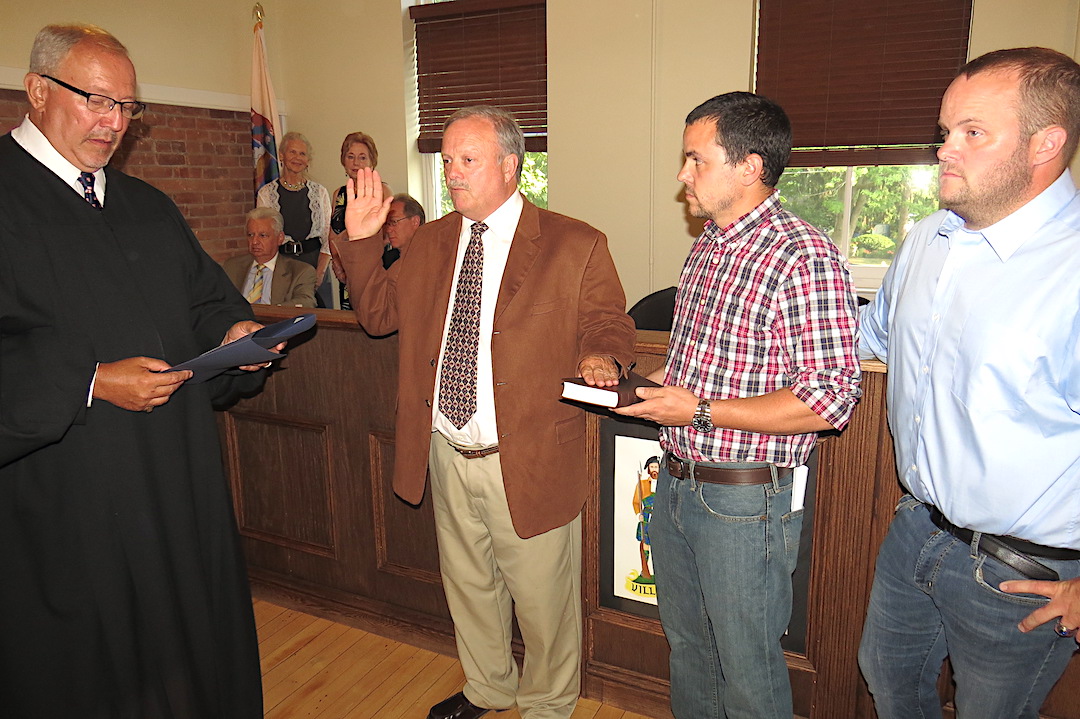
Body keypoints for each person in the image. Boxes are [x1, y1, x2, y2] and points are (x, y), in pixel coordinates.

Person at [0, 23, 270, 717]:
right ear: (36, 91)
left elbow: (207, 302)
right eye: (96, 100)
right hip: (69, 507)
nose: (114, 122)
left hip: (178, 489)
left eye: (126, 106)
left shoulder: (146, 204)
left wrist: (234, 334)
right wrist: (89, 381)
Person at [335, 106, 636, 719]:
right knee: (469, 587)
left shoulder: (574, 243)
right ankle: (489, 688)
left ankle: (547, 705)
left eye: (467, 160)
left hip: (526, 456)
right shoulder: (431, 241)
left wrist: (601, 354)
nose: (452, 172)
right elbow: (377, 315)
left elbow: (608, 321)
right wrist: (362, 239)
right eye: (447, 159)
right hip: (447, 449)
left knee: (544, 602)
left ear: (509, 165)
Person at [616, 92, 862, 719]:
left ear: (750, 167)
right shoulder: (709, 245)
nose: (682, 173)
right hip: (675, 482)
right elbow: (702, 364)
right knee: (690, 651)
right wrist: (641, 386)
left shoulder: (803, 255)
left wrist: (698, 411)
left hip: (743, 501)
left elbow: (829, 400)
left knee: (747, 669)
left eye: (696, 159)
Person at [857, 47, 1080, 718]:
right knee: (888, 683)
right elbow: (869, 340)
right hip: (916, 529)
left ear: (1046, 143)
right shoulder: (928, 238)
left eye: (972, 132)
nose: (944, 150)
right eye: (945, 131)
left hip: (1024, 574)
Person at [257, 130, 332, 306]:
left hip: (315, 265)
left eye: (302, 154)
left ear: (308, 160)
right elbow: (263, 237)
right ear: (281, 155)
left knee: (322, 318)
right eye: (292, 152)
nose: (297, 158)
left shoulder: (319, 192)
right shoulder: (266, 194)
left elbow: (328, 236)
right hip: (282, 268)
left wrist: (320, 272)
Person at [223, 207, 317, 308]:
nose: (254, 241)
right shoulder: (232, 266)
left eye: (262, 235)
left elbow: (306, 301)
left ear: (280, 238)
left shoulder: (300, 271)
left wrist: (272, 311)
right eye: (250, 235)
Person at [329, 131, 380, 309]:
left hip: (371, 271)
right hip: (345, 272)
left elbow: (384, 238)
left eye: (362, 157)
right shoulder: (338, 194)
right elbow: (332, 234)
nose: (356, 163)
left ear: (372, 162)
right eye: (350, 156)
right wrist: (338, 264)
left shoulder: (381, 192)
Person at [381, 192, 426, 269]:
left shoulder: (431, 255)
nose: (388, 230)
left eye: (394, 222)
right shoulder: (387, 260)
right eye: (387, 224)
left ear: (415, 222)